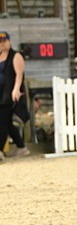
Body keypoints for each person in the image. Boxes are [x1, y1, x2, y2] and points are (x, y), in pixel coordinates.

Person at [0, 31, 27, 162]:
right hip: (1, 92)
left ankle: (0, 151)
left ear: (9, 41)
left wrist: (16, 89)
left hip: (9, 93)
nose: (2, 44)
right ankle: (21, 147)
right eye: (0, 42)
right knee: (7, 123)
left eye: (4, 41)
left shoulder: (16, 56)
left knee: (2, 121)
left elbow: (19, 74)